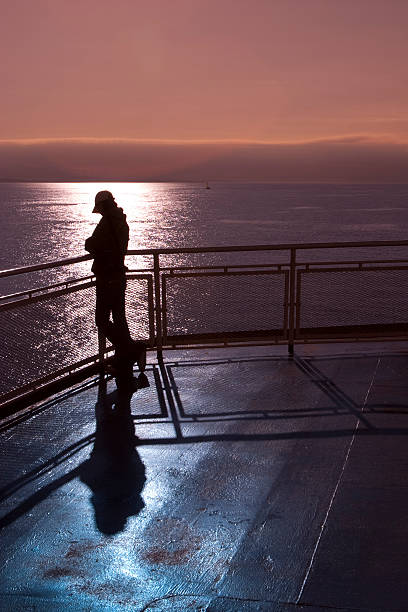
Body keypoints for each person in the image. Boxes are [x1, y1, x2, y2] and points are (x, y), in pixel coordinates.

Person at [85, 190, 146, 385]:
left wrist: (90, 243)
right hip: (119, 275)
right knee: (119, 319)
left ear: (103, 206)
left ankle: (131, 349)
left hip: (107, 277)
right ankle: (123, 361)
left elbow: (92, 244)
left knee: (101, 320)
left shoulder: (107, 223)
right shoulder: (121, 221)